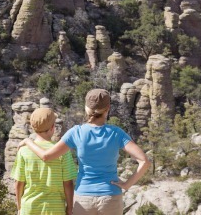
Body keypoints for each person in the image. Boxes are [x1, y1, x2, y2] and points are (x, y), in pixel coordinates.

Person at [19, 89, 151, 215]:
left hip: (84, 198)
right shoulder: (116, 133)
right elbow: (144, 161)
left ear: (86, 108)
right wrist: (127, 184)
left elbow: (46, 156)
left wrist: (28, 141)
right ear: (107, 109)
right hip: (111, 196)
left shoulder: (76, 132)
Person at [12, 108, 77, 215]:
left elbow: (19, 183)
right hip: (54, 209)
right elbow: (68, 183)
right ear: (53, 128)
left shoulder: (23, 151)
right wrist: (69, 207)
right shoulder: (62, 152)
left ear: (33, 128)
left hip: (29, 207)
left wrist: (19, 207)